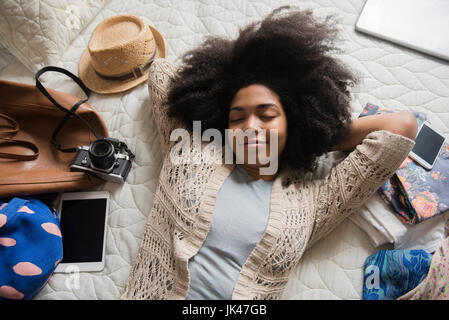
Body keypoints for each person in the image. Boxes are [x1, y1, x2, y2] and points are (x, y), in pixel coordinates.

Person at [122, 6, 418, 300]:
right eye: (237, 118)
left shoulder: (311, 204)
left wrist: (311, 134)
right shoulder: (191, 152)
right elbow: (161, 73)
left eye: (266, 115)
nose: (250, 126)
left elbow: (401, 127)